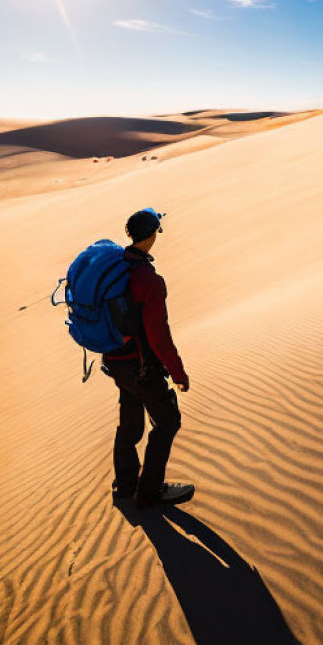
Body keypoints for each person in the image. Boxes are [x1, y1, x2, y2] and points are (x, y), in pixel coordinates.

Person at [102, 208, 193, 509]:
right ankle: (149, 492)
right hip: (140, 366)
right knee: (168, 422)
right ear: (153, 235)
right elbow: (159, 336)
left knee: (129, 423)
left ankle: (126, 485)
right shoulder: (150, 281)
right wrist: (178, 374)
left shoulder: (114, 268)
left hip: (115, 362)